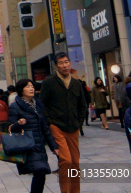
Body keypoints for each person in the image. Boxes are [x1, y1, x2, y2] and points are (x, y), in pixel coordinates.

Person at [38, 52, 86, 193]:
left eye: (66, 62)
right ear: (56, 66)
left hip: (73, 127)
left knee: (75, 163)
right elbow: (42, 105)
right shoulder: (49, 82)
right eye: (61, 63)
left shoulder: (76, 83)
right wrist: (50, 123)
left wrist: (79, 122)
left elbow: (82, 105)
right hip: (57, 126)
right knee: (66, 160)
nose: (64, 65)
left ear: (70, 63)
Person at [7, 78, 58, 193]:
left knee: (41, 173)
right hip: (27, 146)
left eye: (32, 86)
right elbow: (9, 128)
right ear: (21, 90)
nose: (31, 88)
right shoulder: (15, 106)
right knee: (40, 171)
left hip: (40, 146)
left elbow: (45, 128)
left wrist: (53, 146)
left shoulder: (38, 105)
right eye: (27, 86)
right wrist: (18, 124)